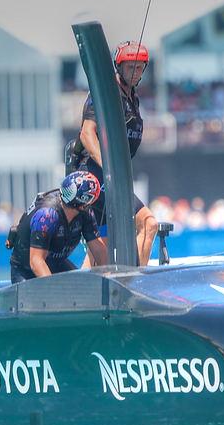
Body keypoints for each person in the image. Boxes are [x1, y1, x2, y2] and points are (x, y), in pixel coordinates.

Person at [66, 41, 158, 266]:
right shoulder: (107, 92)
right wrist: (109, 169)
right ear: (118, 66)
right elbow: (87, 134)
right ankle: (136, 284)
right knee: (148, 224)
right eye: (130, 67)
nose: (135, 72)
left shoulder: (132, 97)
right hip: (96, 175)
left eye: (139, 67)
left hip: (113, 178)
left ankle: (90, 291)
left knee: (101, 250)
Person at [9, 171, 108, 283]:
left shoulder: (85, 213)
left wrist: (108, 280)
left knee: (80, 286)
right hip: (25, 269)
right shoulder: (47, 215)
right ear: (85, 201)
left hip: (55, 263)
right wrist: (54, 290)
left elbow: (99, 250)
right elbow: (36, 261)